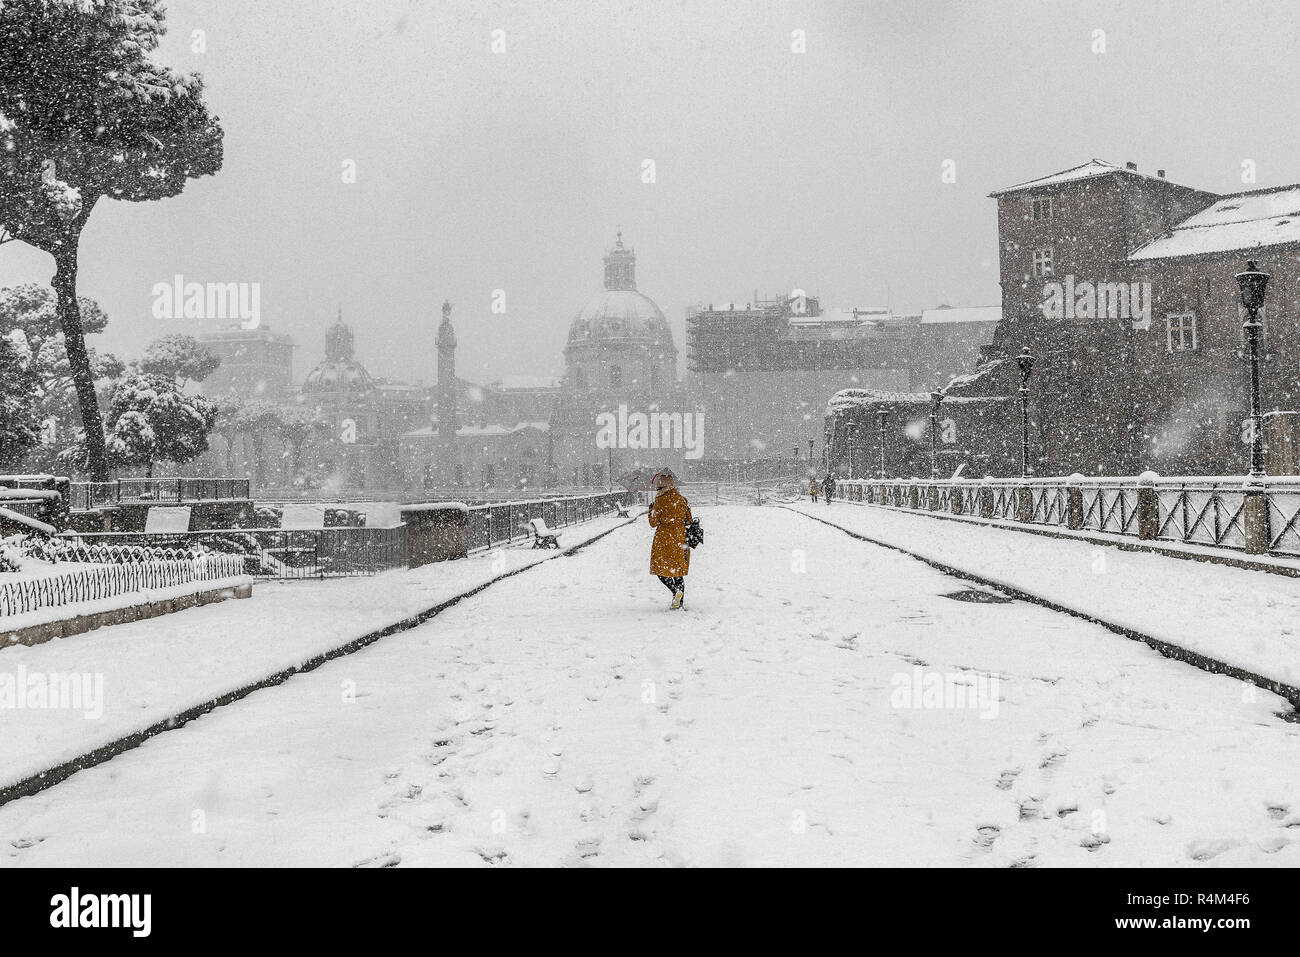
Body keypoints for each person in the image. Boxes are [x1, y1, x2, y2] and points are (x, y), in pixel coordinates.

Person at [648, 469, 691, 610]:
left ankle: (675, 592)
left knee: (661, 571)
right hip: (680, 537)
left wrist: (651, 510)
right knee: (678, 572)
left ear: (661, 487)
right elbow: (688, 519)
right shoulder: (682, 499)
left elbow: (653, 522)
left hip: (664, 538)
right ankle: (680, 602)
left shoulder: (659, 500)